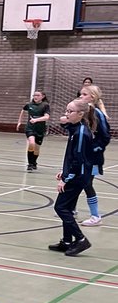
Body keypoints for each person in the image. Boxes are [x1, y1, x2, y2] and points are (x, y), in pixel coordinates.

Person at [48, 98, 97, 257]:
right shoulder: (75, 129)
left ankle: (81, 239)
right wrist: (64, 171)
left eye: (70, 111)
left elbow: (79, 159)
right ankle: (67, 241)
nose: (66, 114)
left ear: (80, 114)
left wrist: (66, 178)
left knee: (60, 207)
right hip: (76, 174)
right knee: (67, 208)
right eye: (66, 110)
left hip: (79, 176)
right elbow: (71, 156)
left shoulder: (82, 132)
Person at [78, 83, 110, 226]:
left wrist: (94, 149)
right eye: (81, 94)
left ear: (92, 97)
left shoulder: (98, 114)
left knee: (87, 183)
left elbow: (105, 137)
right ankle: (71, 209)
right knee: (76, 181)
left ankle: (95, 216)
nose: (81, 96)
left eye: (84, 94)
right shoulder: (83, 111)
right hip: (81, 155)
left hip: (93, 157)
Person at [16, 89, 50, 171]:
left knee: (37, 148)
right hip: (30, 128)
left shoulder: (45, 105)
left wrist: (36, 120)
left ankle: (34, 162)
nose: (35, 97)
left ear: (43, 96)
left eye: (38, 95)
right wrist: (19, 122)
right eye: (34, 95)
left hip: (40, 129)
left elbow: (47, 117)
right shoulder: (29, 104)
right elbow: (23, 110)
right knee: (31, 143)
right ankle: (30, 164)